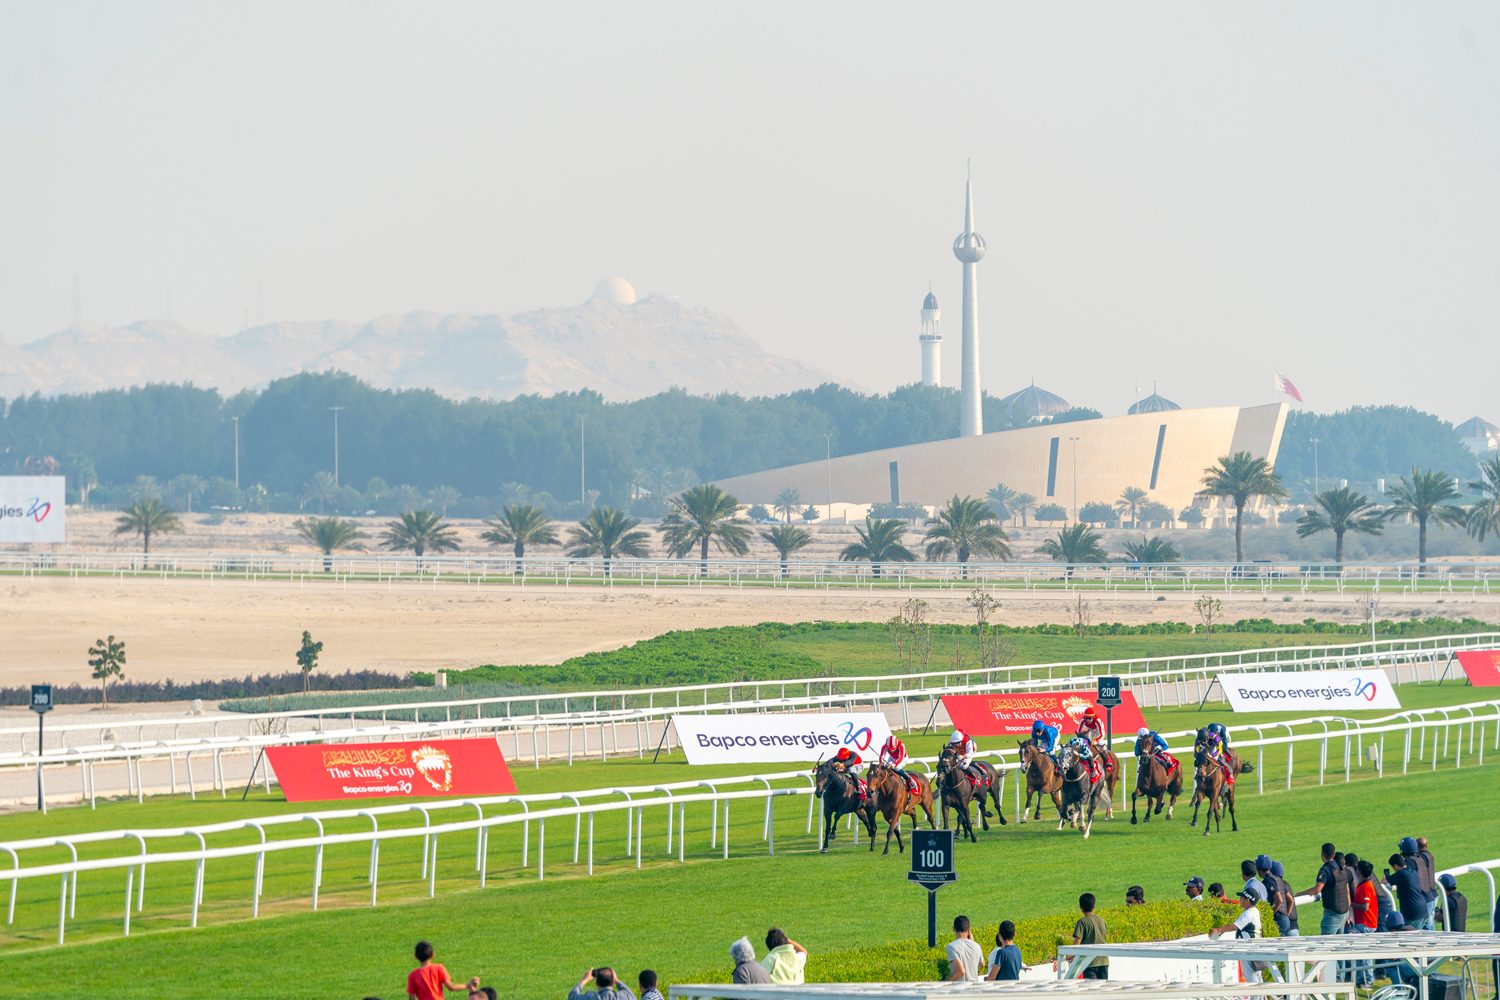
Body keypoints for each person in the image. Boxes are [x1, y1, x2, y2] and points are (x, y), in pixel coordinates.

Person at [1210, 889, 1265, 982]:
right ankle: (1260, 996)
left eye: (1241, 897)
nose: (1239, 899)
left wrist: (1217, 930)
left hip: (1248, 948)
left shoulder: (1248, 913)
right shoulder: (1255, 911)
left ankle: (1255, 996)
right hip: (1254, 947)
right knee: (1258, 977)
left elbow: (1234, 927)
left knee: (1251, 977)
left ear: (1247, 899)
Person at [1298, 842, 1353, 936]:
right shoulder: (1342, 869)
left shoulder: (1325, 870)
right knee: (1339, 944)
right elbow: (1347, 891)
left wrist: (1300, 894)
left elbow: (1317, 890)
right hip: (1344, 912)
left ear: (1322, 854)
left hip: (1333, 915)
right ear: (1334, 854)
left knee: (1326, 943)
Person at [407, 941, 479, 1000]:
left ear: (415, 956)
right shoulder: (438, 968)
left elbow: (411, 997)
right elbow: (451, 987)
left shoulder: (412, 975)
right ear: (433, 955)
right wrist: (467, 985)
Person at [1347, 858, 1378, 988]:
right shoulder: (1364, 884)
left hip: (1367, 924)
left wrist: (1351, 904)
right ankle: (1362, 979)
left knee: (1364, 954)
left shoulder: (1366, 886)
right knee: (1362, 953)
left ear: (1359, 871)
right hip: (1364, 923)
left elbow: (1365, 907)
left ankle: (1368, 981)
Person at [1072, 893, 1109, 980]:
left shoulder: (1082, 922)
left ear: (1080, 907)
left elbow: (1077, 942)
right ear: (1094, 905)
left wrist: (1070, 955)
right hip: (1103, 960)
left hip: (1089, 962)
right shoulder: (1102, 921)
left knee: (1091, 989)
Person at [1386, 854, 1428, 929]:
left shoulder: (1401, 874)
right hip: (1423, 909)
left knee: (1410, 938)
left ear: (1395, 866)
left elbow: (1385, 881)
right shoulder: (1412, 871)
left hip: (1413, 913)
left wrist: (1385, 877)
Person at [945, 914, 985, 982]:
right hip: (974, 988)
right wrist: (972, 942)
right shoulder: (977, 946)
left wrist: (947, 981)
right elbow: (982, 964)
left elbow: (961, 972)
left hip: (959, 989)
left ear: (953, 929)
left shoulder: (951, 947)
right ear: (969, 930)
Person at [1270, 861, 1301, 936]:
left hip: (1286, 927)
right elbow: (1291, 900)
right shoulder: (1286, 884)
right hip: (1294, 927)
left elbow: (1289, 901)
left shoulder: (1277, 885)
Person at [1416, 837, 1439, 929]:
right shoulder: (1430, 856)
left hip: (1427, 895)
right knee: (1430, 923)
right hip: (1433, 893)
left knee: (1427, 925)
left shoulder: (1422, 858)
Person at [569, 969, 634, 1000]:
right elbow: (631, 995)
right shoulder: (622, 996)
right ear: (613, 982)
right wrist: (616, 980)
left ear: (597, 984)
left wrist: (584, 980)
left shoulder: (591, 997)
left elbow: (572, 997)